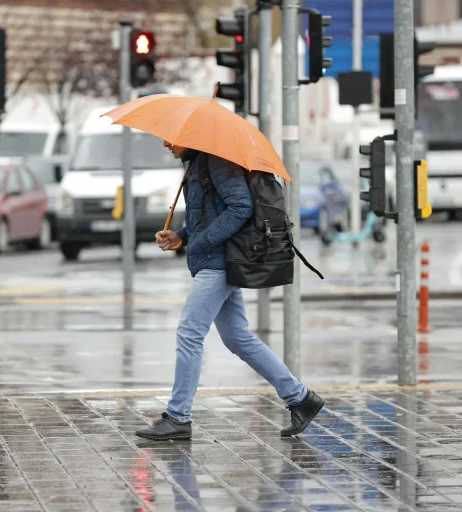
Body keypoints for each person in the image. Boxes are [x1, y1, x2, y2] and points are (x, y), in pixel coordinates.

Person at [135, 142, 324, 441]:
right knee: (238, 338)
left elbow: (241, 206)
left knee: (189, 332)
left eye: (172, 138)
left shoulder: (217, 161)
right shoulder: (198, 164)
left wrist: (204, 242)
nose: (166, 143)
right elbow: (209, 214)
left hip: (218, 263)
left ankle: (178, 416)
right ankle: (301, 399)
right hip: (215, 260)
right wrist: (181, 237)